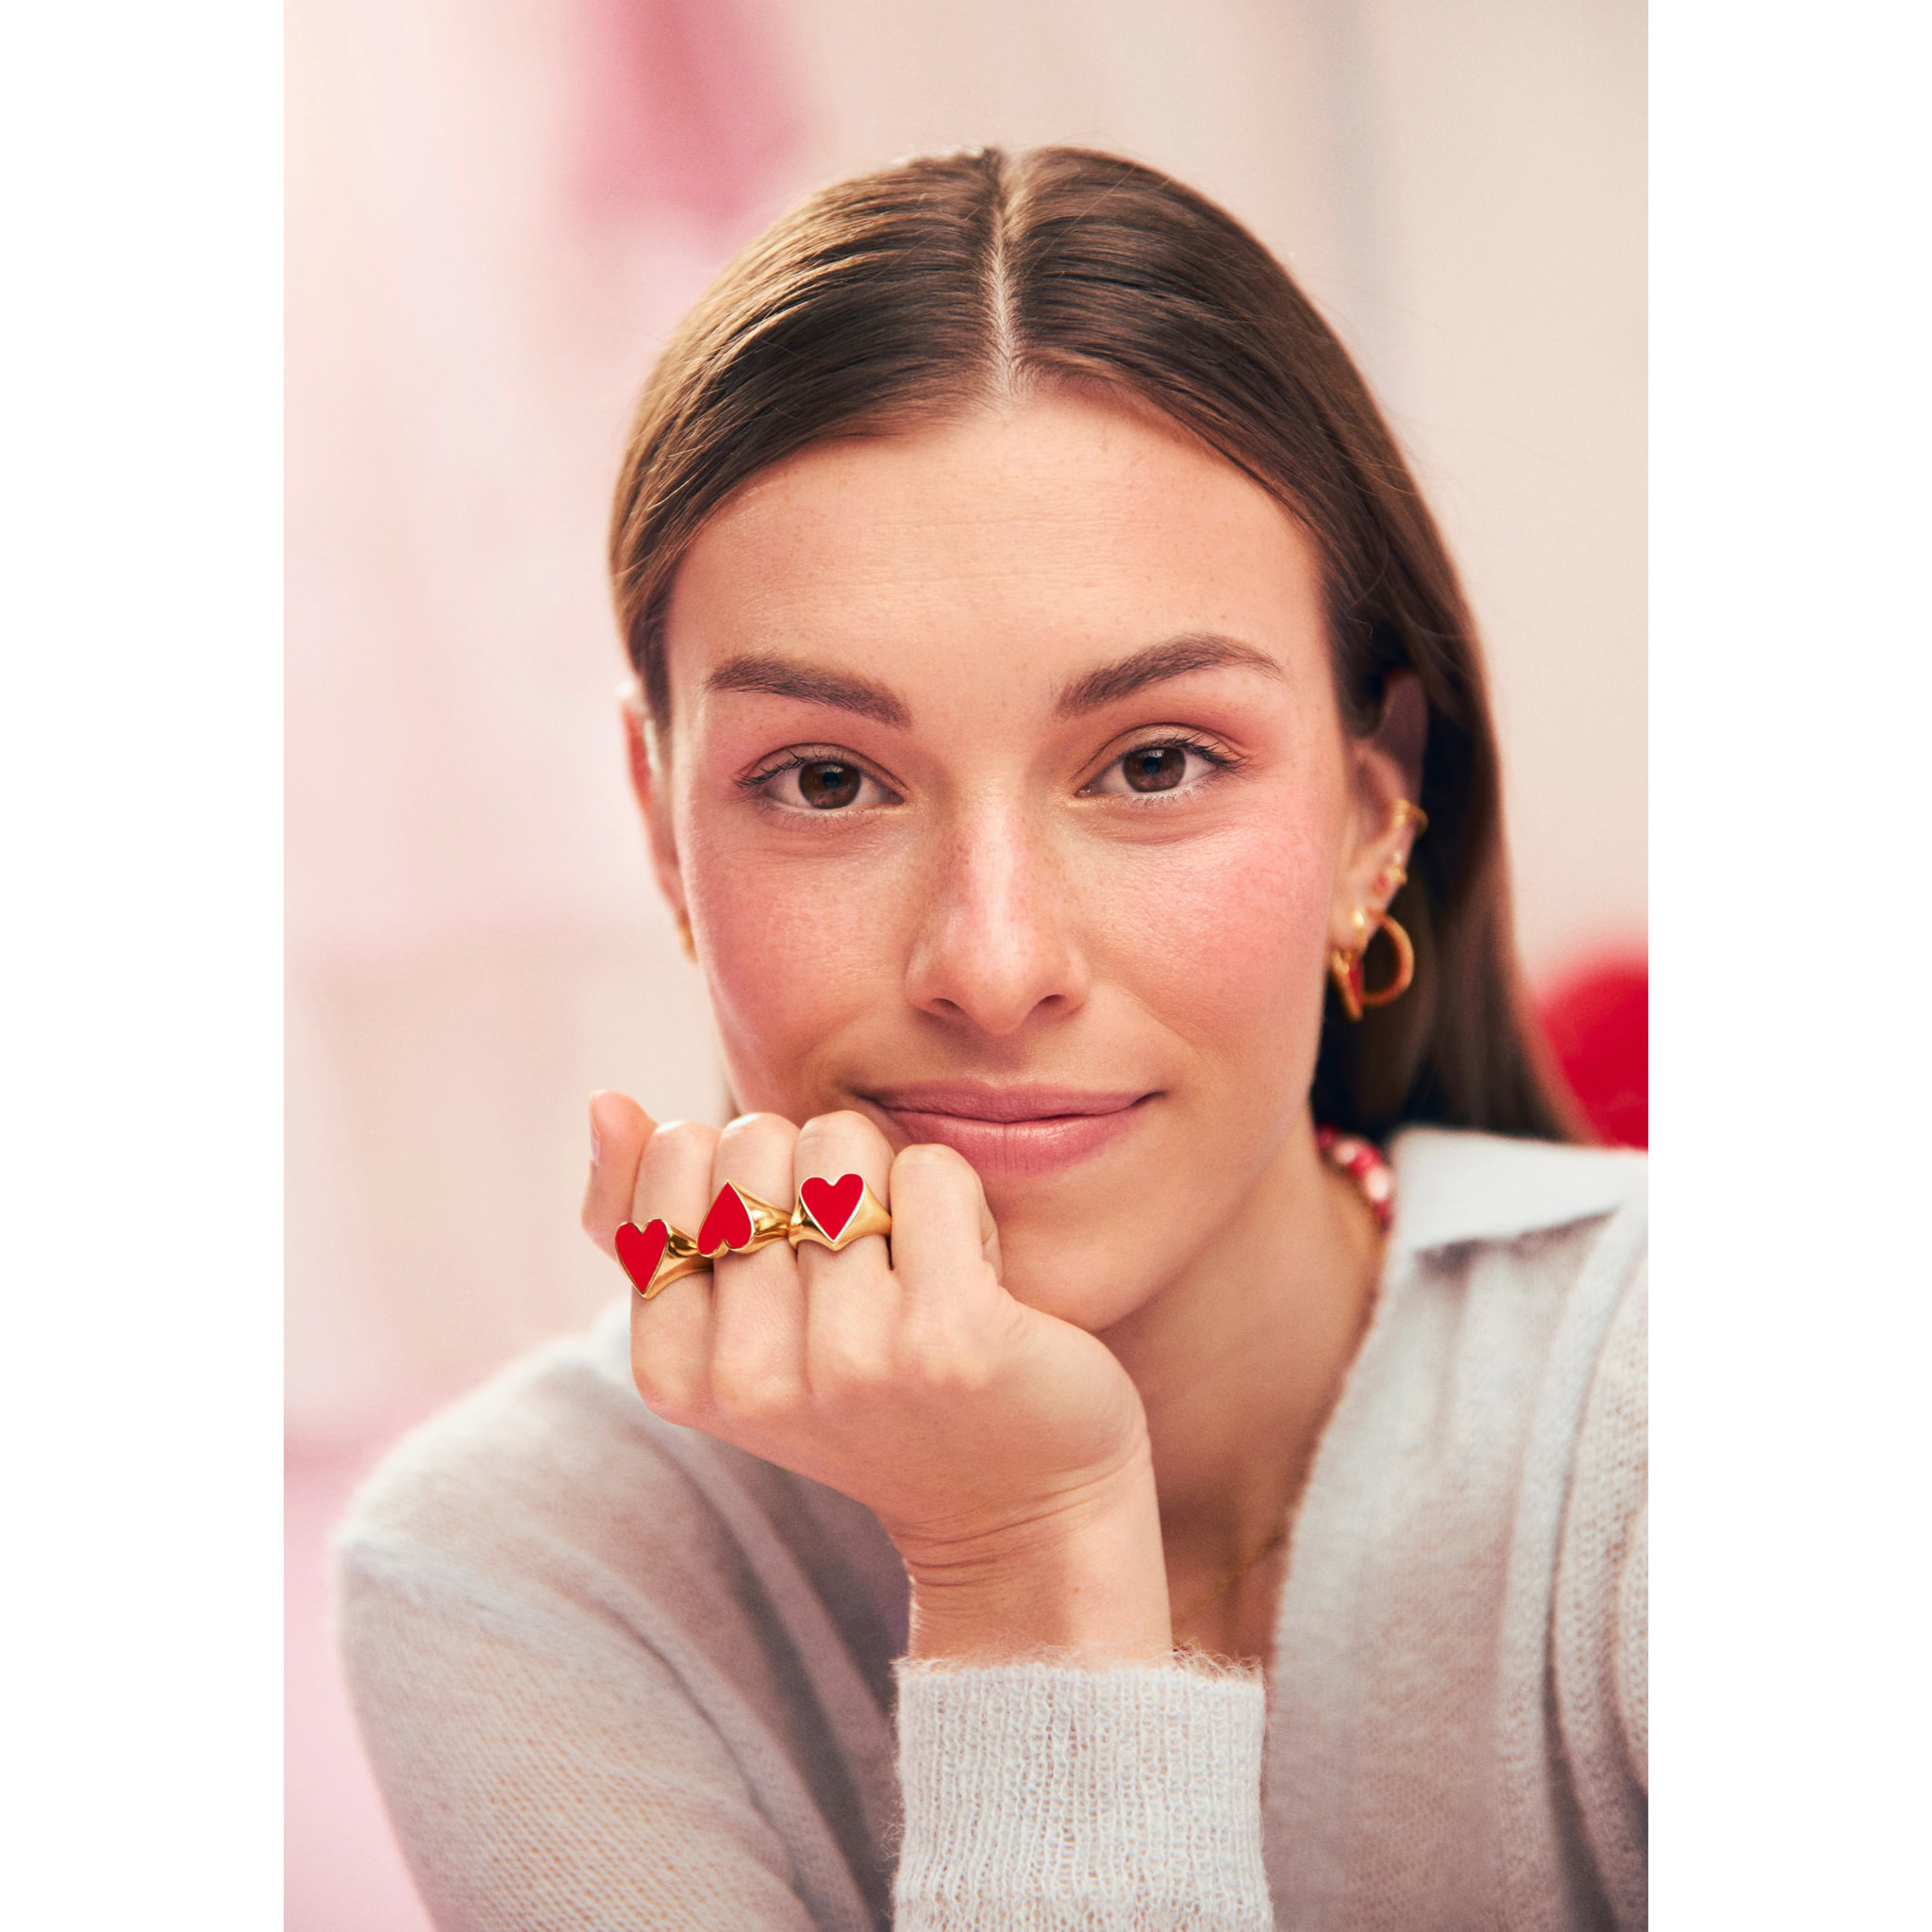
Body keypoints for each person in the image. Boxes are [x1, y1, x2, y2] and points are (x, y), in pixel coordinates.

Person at [337, 145, 1646, 1931]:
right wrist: (1025, 1556)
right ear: (662, 831)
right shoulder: (528, 1560)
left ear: (1372, 814)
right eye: (826, 780)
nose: (994, 962)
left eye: (1158, 763)